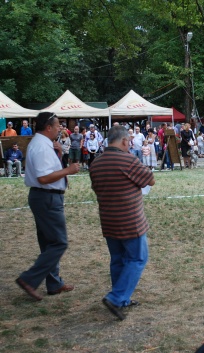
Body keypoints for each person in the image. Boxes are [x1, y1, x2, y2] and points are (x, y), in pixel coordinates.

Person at [89, 125, 155, 320]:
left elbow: (97, 188)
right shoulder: (127, 159)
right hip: (130, 220)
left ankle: (122, 299)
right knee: (137, 258)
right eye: (130, 141)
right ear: (125, 141)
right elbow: (150, 179)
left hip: (109, 219)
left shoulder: (96, 162)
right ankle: (116, 297)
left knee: (118, 259)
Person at [15, 112, 80, 301]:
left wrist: (58, 153)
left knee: (48, 243)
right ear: (48, 127)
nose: (60, 128)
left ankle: (54, 283)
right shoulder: (42, 147)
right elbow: (43, 178)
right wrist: (68, 170)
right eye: (58, 125)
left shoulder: (43, 144)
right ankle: (29, 279)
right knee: (59, 242)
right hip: (47, 198)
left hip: (44, 197)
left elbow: (47, 171)